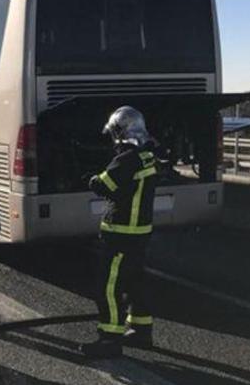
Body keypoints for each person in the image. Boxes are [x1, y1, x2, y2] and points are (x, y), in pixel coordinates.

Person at [79, 106, 158, 358]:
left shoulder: (126, 159)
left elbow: (105, 184)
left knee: (108, 287)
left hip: (121, 234)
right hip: (139, 233)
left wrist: (91, 179)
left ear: (119, 131)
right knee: (136, 281)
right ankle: (141, 330)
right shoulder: (147, 156)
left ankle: (109, 339)